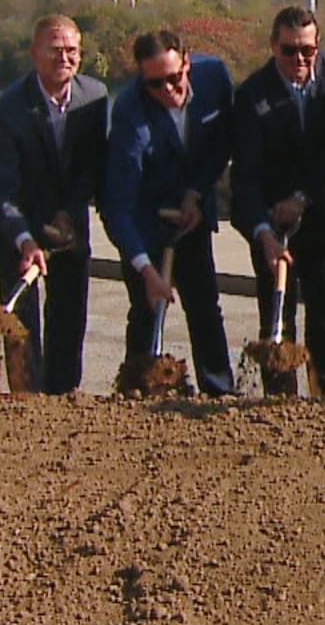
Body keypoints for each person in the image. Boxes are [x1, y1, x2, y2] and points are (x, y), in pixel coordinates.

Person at [100, 30, 236, 398]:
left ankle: (219, 390)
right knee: (146, 310)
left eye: (174, 78)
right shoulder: (130, 114)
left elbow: (220, 143)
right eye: (155, 84)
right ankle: (136, 389)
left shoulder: (214, 78)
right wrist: (146, 268)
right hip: (145, 219)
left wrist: (196, 194)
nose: (167, 90)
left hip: (192, 212)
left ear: (186, 63)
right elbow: (118, 205)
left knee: (204, 306)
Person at [0, 14, 109, 395]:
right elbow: (0, 188)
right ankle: (25, 404)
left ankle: (63, 399)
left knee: (68, 324)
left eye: (71, 51)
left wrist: (69, 212)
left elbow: (92, 166)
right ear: (35, 53)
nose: (64, 59)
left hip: (69, 228)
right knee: (21, 331)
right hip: (17, 229)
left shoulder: (96, 97)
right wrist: (25, 241)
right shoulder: (8, 110)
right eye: (55, 50)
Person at [231, 5, 325, 398]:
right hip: (269, 216)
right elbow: (246, 171)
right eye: (289, 51)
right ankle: (280, 396)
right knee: (276, 308)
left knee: (324, 307)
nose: (299, 59)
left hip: (317, 208)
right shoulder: (252, 94)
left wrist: (302, 199)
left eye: (308, 50)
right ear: (273, 46)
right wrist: (263, 231)